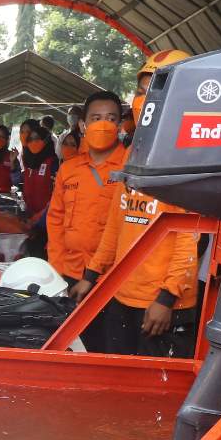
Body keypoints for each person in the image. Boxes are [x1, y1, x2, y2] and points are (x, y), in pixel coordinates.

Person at [68, 92, 200, 357]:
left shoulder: (185, 156)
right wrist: (91, 276)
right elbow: (117, 224)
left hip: (162, 305)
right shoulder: (133, 152)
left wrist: (166, 298)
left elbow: (190, 237)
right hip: (123, 295)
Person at [47, 91, 128, 352]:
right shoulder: (69, 169)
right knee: (70, 349)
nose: (103, 124)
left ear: (119, 125)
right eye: (96, 118)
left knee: (108, 351)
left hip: (114, 280)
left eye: (110, 118)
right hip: (69, 274)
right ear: (83, 125)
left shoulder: (132, 168)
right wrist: (56, 271)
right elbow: (55, 220)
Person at [19, 122, 59, 223]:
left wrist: (41, 216)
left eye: (37, 138)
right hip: (29, 215)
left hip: (46, 217)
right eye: (31, 139)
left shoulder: (53, 162)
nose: (33, 142)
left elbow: (57, 194)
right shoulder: (27, 160)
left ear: (46, 141)